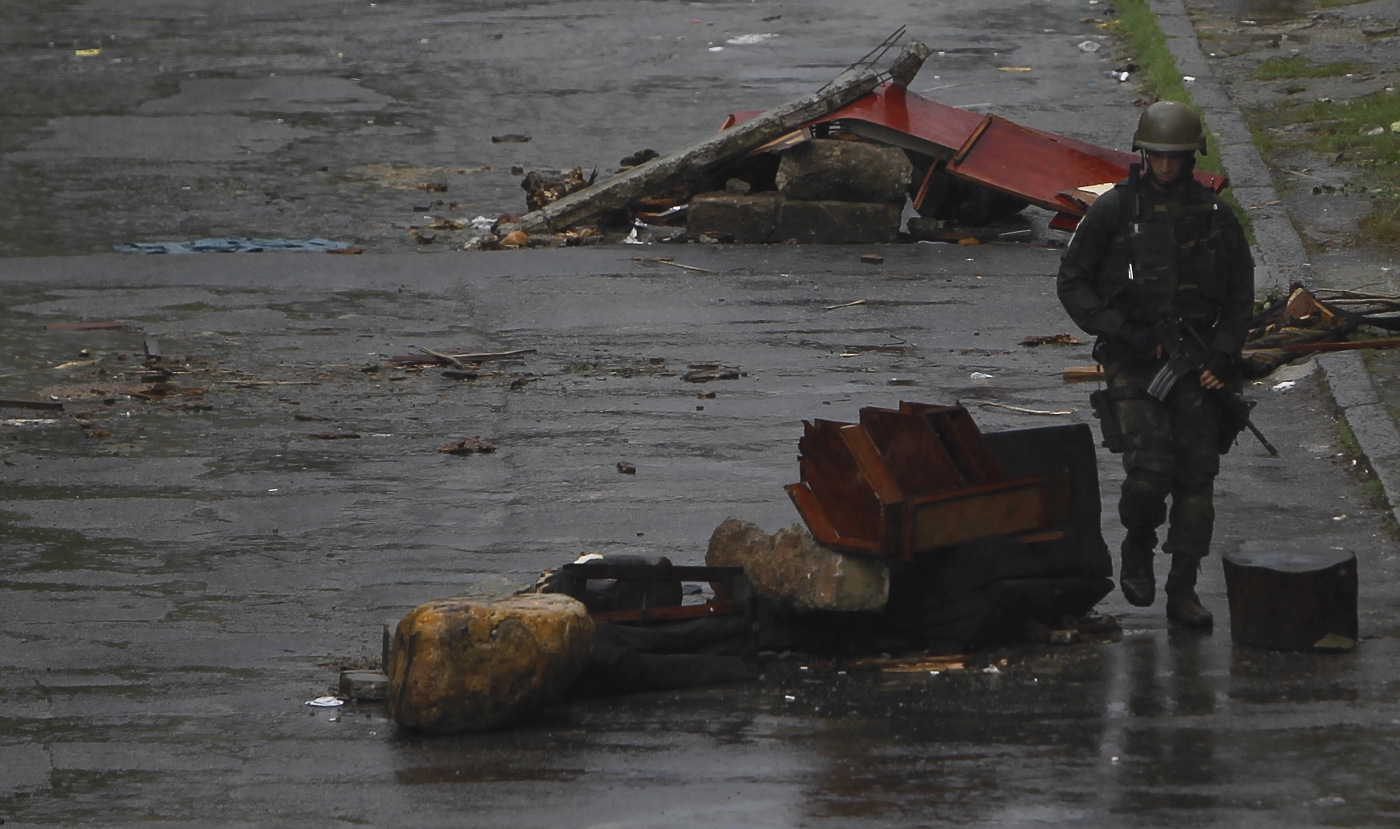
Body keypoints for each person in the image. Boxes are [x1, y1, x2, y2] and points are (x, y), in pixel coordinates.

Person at [1056, 101, 1254, 629]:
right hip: (1134, 360)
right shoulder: (1115, 211)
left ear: (1191, 158)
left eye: (1176, 158)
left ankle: (1183, 589)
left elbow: (1240, 294)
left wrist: (1222, 355)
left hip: (1199, 365)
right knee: (1149, 472)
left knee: (1196, 481)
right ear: (1143, 155)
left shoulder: (1215, 215)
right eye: (1157, 157)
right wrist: (1126, 331)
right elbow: (1072, 281)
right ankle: (1138, 544)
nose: (1165, 168)